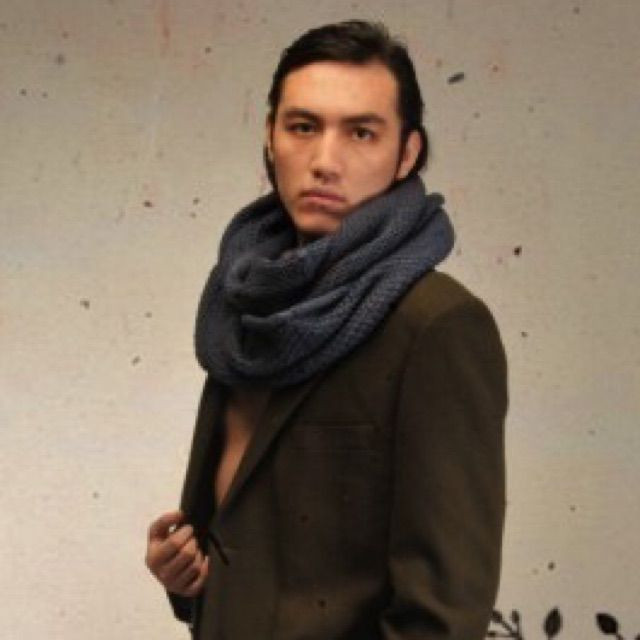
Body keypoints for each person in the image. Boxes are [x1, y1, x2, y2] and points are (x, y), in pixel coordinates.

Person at [145, 19, 508, 640]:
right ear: (270, 136)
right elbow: (267, 547)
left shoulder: (437, 327)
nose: (324, 161)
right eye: (303, 127)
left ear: (408, 153)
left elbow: (442, 616)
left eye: (361, 132)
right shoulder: (243, 307)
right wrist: (188, 577)